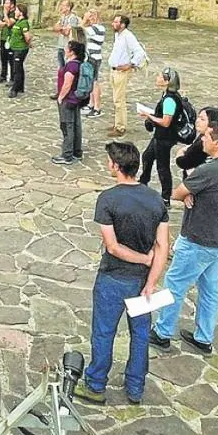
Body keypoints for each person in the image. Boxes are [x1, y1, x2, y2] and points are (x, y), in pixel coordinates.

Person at [73, 141, 169, 405]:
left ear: (115, 166)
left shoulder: (108, 199)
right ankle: (135, 387)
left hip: (113, 278)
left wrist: (141, 259)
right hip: (141, 281)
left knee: (104, 332)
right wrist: (151, 280)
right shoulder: (155, 200)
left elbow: (113, 247)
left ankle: (95, 385)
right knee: (139, 334)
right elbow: (163, 246)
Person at [150, 122, 218, 355]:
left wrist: (189, 191)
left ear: (217, 143)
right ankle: (204, 337)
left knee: (175, 285)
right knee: (210, 290)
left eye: (206, 137)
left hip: (198, 240)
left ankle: (162, 332)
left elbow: (177, 192)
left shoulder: (209, 170)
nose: (202, 140)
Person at [138, 67, 184, 201]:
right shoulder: (167, 95)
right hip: (160, 136)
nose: (156, 78)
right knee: (147, 156)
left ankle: (165, 197)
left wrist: (148, 115)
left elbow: (165, 122)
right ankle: (143, 182)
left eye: (159, 76)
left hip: (165, 137)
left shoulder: (170, 99)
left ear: (167, 81)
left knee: (162, 167)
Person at [106, 15, 147, 138]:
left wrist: (131, 65)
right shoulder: (118, 35)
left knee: (119, 100)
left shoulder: (128, 36)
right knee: (115, 98)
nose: (113, 24)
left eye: (116, 22)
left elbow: (139, 52)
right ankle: (117, 123)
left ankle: (120, 127)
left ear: (122, 24)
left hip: (121, 72)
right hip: (114, 70)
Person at [52, 40, 85, 165]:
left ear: (71, 52)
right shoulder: (78, 64)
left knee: (67, 126)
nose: (65, 49)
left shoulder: (71, 66)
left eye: (67, 48)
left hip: (68, 99)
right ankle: (77, 152)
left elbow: (67, 83)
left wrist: (60, 97)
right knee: (76, 125)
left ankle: (67, 155)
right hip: (75, 99)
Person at [175, 107, 218, 179]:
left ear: (212, 124)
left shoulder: (204, 143)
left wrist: (180, 152)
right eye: (198, 117)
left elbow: (183, 163)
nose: (197, 121)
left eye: (202, 119)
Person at [82, 8, 106, 118]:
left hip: (94, 58)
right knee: (90, 82)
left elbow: (80, 28)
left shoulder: (97, 28)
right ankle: (91, 104)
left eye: (91, 17)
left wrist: (84, 19)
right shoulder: (93, 28)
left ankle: (97, 107)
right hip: (90, 57)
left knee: (94, 83)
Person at [5, 1, 32, 98]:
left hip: (20, 49)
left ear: (21, 12)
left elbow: (27, 36)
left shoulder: (24, 23)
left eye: (16, 10)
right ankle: (21, 86)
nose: (15, 12)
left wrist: (28, 43)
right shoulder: (18, 22)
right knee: (19, 67)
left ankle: (14, 89)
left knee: (16, 69)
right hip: (15, 48)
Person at [0, 0, 17, 85]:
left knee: (11, 60)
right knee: (3, 58)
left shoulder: (14, 13)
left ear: (12, 5)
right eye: (5, 3)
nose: (5, 5)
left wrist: (5, 14)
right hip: (3, 38)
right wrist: (5, 21)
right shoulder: (5, 14)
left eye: (7, 3)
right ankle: (3, 76)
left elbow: (9, 23)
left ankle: (12, 78)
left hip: (10, 39)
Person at [52, 0, 81, 68]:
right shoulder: (62, 17)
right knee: (61, 68)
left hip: (68, 47)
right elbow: (54, 27)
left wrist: (60, 28)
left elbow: (67, 33)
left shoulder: (72, 18)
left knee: (67, 68)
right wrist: (62, 28)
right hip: (61, 45)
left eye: (63, 5)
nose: (60, 7)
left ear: (68, 8)